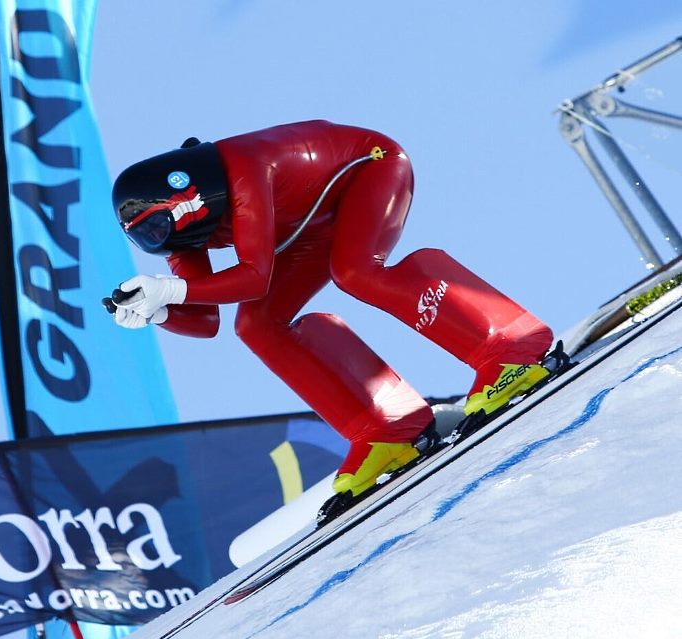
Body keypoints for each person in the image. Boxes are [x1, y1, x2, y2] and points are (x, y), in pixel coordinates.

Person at [107, 120, 556, 501]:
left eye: (162, 225)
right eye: (148, 237)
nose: (162, 240)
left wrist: (170, 289)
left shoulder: (243, 167)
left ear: (185, 196)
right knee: (257, 324)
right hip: (310, 219)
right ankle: (384, 426)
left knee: (356, 270)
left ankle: (508, 346)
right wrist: (159, 311)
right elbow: (206, 322)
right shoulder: (182, 236)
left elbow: (253, 277)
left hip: (370, 168)